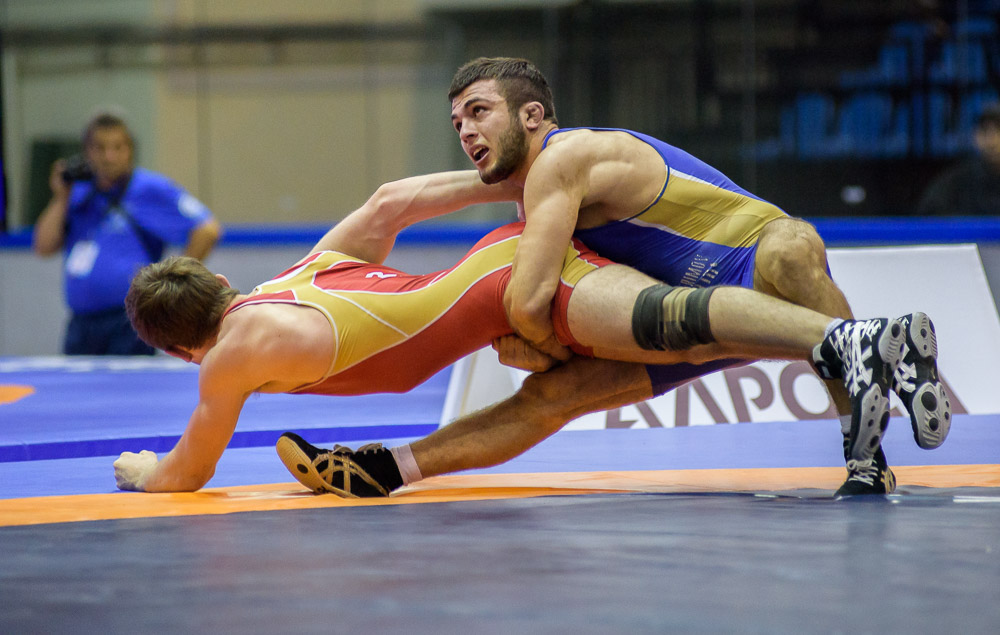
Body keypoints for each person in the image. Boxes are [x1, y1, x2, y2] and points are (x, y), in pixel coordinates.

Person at [281, 57, 952, 497]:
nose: (465, 130)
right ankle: (388, 468)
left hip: (753, 258)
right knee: (552, 398)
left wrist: (539, 342)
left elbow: (530, 301)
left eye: (479, 111)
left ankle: (865, 442)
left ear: (532, 115)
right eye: (457, 121)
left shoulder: (562, 161)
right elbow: (411, 205)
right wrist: (547, 350)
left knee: (792, 248)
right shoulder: (536, 191)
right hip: (692, 316)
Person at [112, 174, 942, 496]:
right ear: (219, 283)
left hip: (512, 279)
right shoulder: (300, 274)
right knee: (563, 391)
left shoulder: (229, 357)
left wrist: (143, 468)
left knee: (672, 321)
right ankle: (388, 468)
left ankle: (859, 339)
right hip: (498, 272)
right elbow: (391, 203)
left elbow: (190, 471)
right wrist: (503, 181)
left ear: (179, 346)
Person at [32, 111, 221, 355]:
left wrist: (173, 285)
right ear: (87, 151)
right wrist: (61, 196)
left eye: (117, 147)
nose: (109, 157)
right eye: (100, 148)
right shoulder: (77, 192)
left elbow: (207, 230)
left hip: (131, 323)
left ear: (130, 150)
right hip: (81, 324)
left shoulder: (150, 188)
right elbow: (43, 246)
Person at [918, 102, 1000, 215]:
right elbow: (928, 215)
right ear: (975, 136)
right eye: (985, 132)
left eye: (999, 131)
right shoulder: (956, 182)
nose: (992, 141)